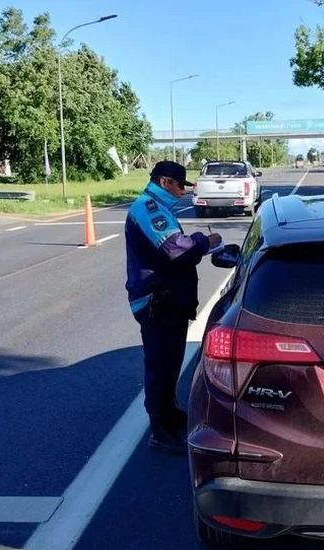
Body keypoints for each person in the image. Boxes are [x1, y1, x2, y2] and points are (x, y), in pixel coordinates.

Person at [125, 160, 221, 453]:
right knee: (160, 365)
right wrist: (206, 240)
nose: (182, 193)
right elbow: (177, 250)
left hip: (168, 302)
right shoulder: (148, 208)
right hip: (157, 303)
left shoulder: (158, 206)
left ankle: (170, 412)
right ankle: (160, 430)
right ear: (165, 182)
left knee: (170, 364)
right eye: (180, 186)